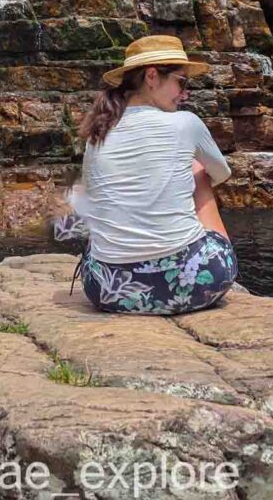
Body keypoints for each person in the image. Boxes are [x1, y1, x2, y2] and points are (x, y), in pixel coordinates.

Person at [57, 34, 239, 315]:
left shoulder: (97, 135)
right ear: (152, 76)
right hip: (193, 286)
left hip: (106, 291)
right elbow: (221, 173)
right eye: (182, 81)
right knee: (198, 171)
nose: (185, 92)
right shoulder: (186, 124)